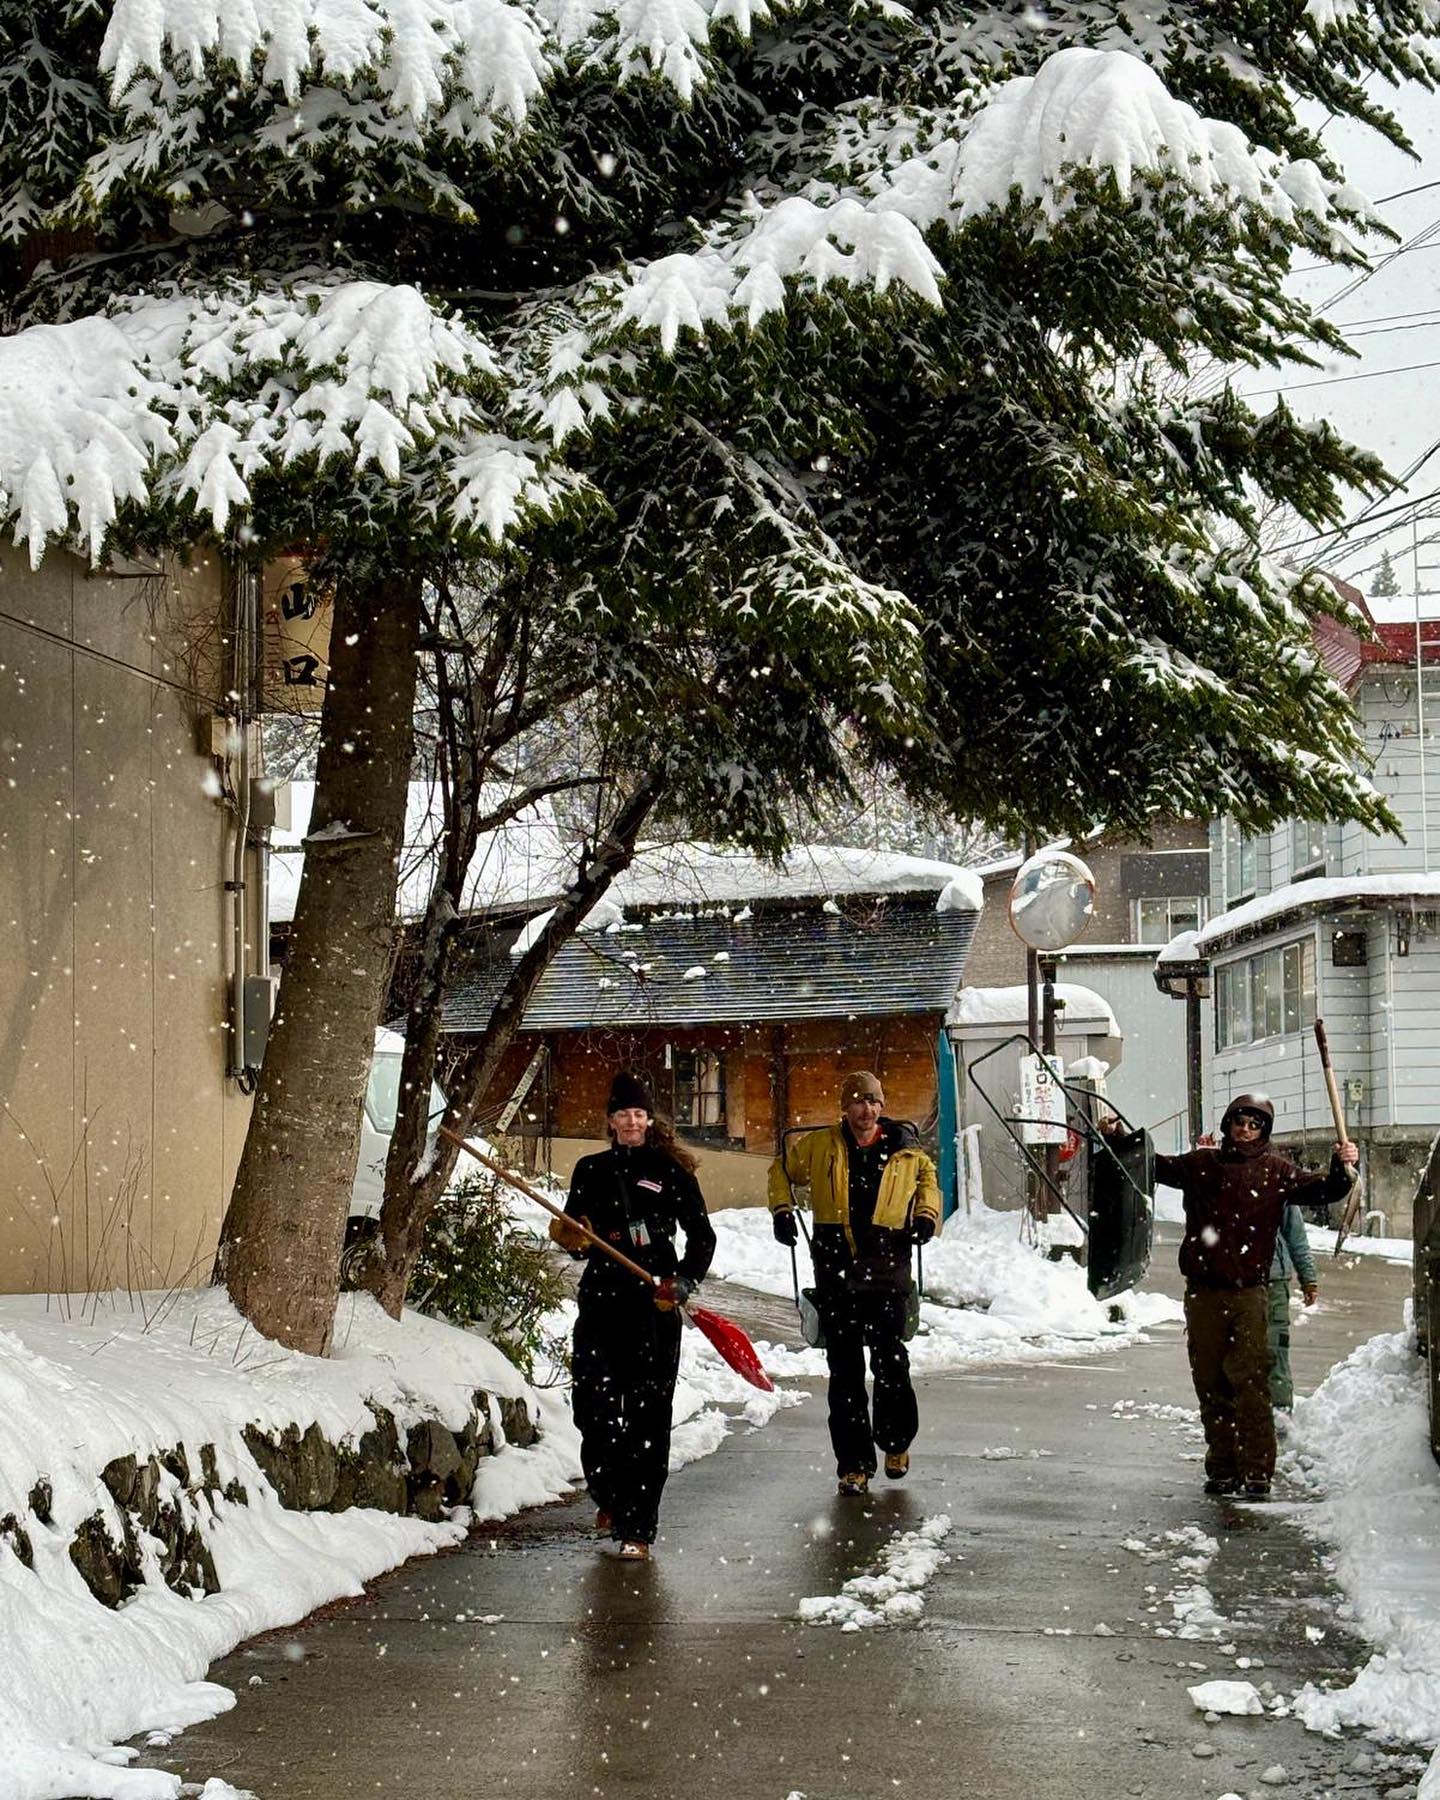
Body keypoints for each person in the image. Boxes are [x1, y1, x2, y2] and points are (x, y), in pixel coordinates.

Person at [1106, 1093, 1355, 1501]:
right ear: (1227, 1125)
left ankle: (1257, 1471)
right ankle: (1222, 1467)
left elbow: (1327, 1189)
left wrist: (1343, 1164)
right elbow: (1152, 1166)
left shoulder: (1277, 1172)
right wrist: (1119, 1137)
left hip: (1250, 1295)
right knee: (1211, 1382)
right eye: (1240, 1121)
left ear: (1265, 1132)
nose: (1246, 1129)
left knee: (1251, 1381)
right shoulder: (1201, 1165)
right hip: (1203, 1293)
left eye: (1255, 1124)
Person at [550, 1072, 716, 1562]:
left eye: (638, 1113)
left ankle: (638, 1525)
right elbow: (574, 1230)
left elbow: (702, 1236)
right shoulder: (589, 1169)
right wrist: (572, 1236)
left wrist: (683, 1281)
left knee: (647, 1415)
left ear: (649, 1119)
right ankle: (610, 1493)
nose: (630, 1121)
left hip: (653, 1305)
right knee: (593, 1408)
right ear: (610, 1120)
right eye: (622, 1113)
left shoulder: (670, 1171)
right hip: (601, 1300)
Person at [768, 1070, 941, 1496]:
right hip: (835, 1266)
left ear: (883, 1107)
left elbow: (927, 1184)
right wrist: (782, 1211)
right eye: (859, 1102)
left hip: (887, 1263)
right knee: (844, 1371)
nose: (867, 1111)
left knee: (890, 1362)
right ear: (844, 1107)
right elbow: (781, 1173)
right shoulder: (821, 1145)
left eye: (874, 1103)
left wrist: (925, 1216)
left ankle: (896, 1442)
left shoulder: (904, 1150)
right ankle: (854, 1465)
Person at [1269, 1202, 1320, 1416]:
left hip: (1272, 1279)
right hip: (1244, 1279)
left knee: (1275, 1346)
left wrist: (1309, 1279)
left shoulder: (1278, 1177)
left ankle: (1279, 1408)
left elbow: (1296, 1237)